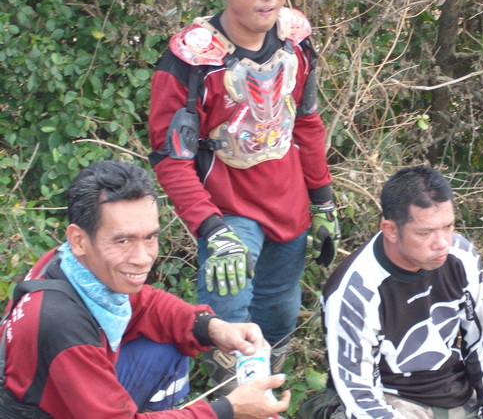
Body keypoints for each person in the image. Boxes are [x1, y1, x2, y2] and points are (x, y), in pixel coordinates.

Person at [147, 0, 339, 386]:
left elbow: (306, 122)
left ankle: (267, 401)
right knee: (229, 329)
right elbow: (171, 159)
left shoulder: (296, 39)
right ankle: (228, 404)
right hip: (228, 213)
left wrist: (323, 200)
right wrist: (211, 229)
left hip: (289, 207)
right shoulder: (191, 58)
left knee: (279, 318)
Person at [0, 160, 290, 419]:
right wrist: (227, 410)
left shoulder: (71, 264)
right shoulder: (60, 322)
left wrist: (213, 327)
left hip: (64, 388)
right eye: (123, 241)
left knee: (167, 344)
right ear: (78, 239)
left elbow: (146, 305)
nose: (142, 258)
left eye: (150, 238)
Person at [320, 166, 483, 419]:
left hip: (454, 391)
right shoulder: (355, 291)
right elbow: (359, 394)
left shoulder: (461, 256)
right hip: (387, 398)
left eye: (448, 227)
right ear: (391, 230)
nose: (442, 243)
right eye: (425, 232)